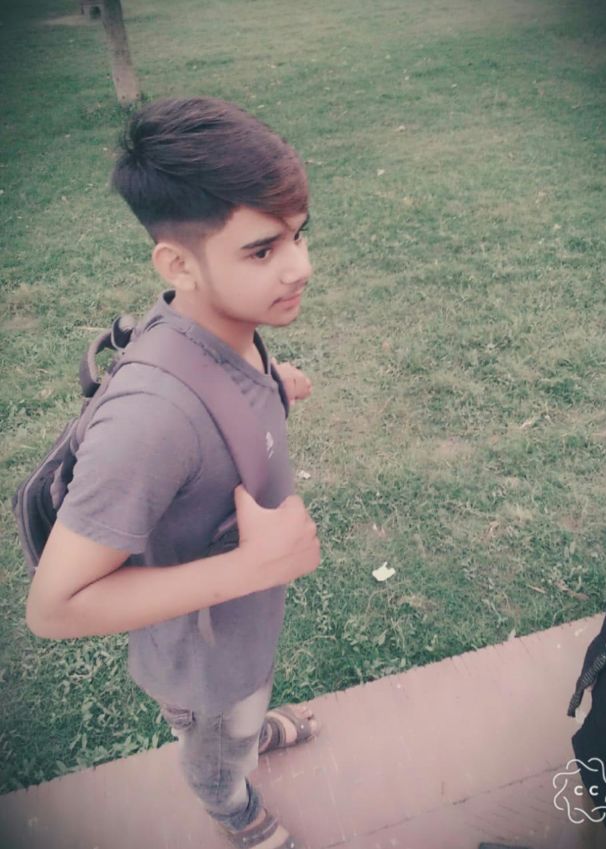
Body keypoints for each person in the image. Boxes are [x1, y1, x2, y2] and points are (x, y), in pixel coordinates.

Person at [25, 96, 322, 849]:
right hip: (203, 666)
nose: (301, 266)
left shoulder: (219, 326)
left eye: (299, 233)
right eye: (262, 250)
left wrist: (266, 383)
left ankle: (250, 733)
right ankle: (234, 807)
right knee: (218, 744)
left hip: (240, 635)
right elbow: (54, 609)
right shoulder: (152, 420)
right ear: (178, 264)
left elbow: (216, 385)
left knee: (242, 715)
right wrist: (256, 565)